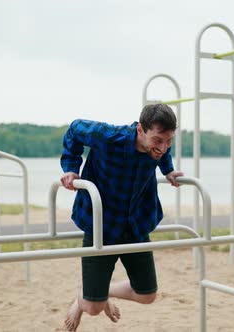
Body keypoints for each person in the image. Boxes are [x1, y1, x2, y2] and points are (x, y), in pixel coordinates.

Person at [59, 104, 183, 331]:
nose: (163, 147)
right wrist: (70, 168)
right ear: (140, 130)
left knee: (147, 295)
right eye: (158, 140)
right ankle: (88, 298)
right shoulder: (107, 136)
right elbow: (75, 129)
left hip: (135, 223)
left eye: (169, 141)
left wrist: (168, 170)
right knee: (93, 308)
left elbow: (162, 149)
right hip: (101, 225)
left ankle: (97, 291)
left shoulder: (158, 146)